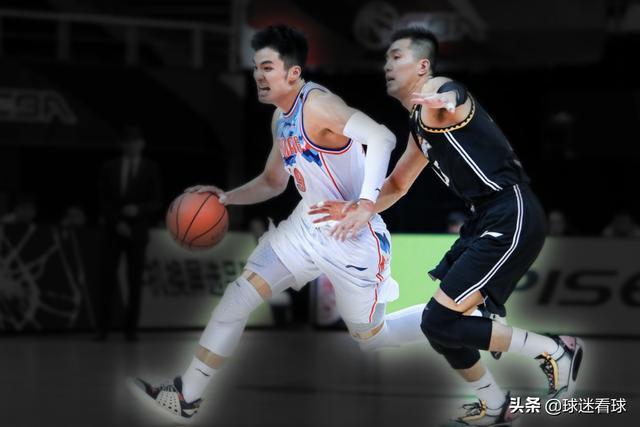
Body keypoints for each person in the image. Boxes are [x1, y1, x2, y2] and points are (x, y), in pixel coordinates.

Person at [129, 25, 426, 421]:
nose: (258, 75)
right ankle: (188, 395)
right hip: (305, 227)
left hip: (351, 235)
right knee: (238, 295)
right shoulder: (280, 120)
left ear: (293, 73)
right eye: (256, 67)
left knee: (372, 338)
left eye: (267, 67)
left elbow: (383, 138)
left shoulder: (319, 105)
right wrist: (227, 197)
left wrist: (365, 204)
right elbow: (273, 182)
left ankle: (454, 317)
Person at [312, 27, 584, 426]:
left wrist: (443, 98)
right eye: (385, 58)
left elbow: (454, 95)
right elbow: (398, 185)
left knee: (439, 322)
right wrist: (360, 207)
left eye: (396, 57)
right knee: (439, 328)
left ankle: (556, 349)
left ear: (422, 66)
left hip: (511, 211)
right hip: (483, 219)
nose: (387, 64)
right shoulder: (418, 126)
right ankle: (495, 405)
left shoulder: (437, 94)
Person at [96, 126, 162, 342]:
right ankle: (102, 328)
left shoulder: (151, 168)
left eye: (135, 141)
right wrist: (117, 221)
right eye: (127, 141)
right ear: (122, 144)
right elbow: (102, 200)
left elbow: (156, 201)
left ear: (142, 144)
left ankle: (130, 329)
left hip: (138, 232)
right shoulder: (109, 167)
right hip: (113, 231)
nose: (131, 145)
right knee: (106, 279)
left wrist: (138, 210)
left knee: (134, 281)